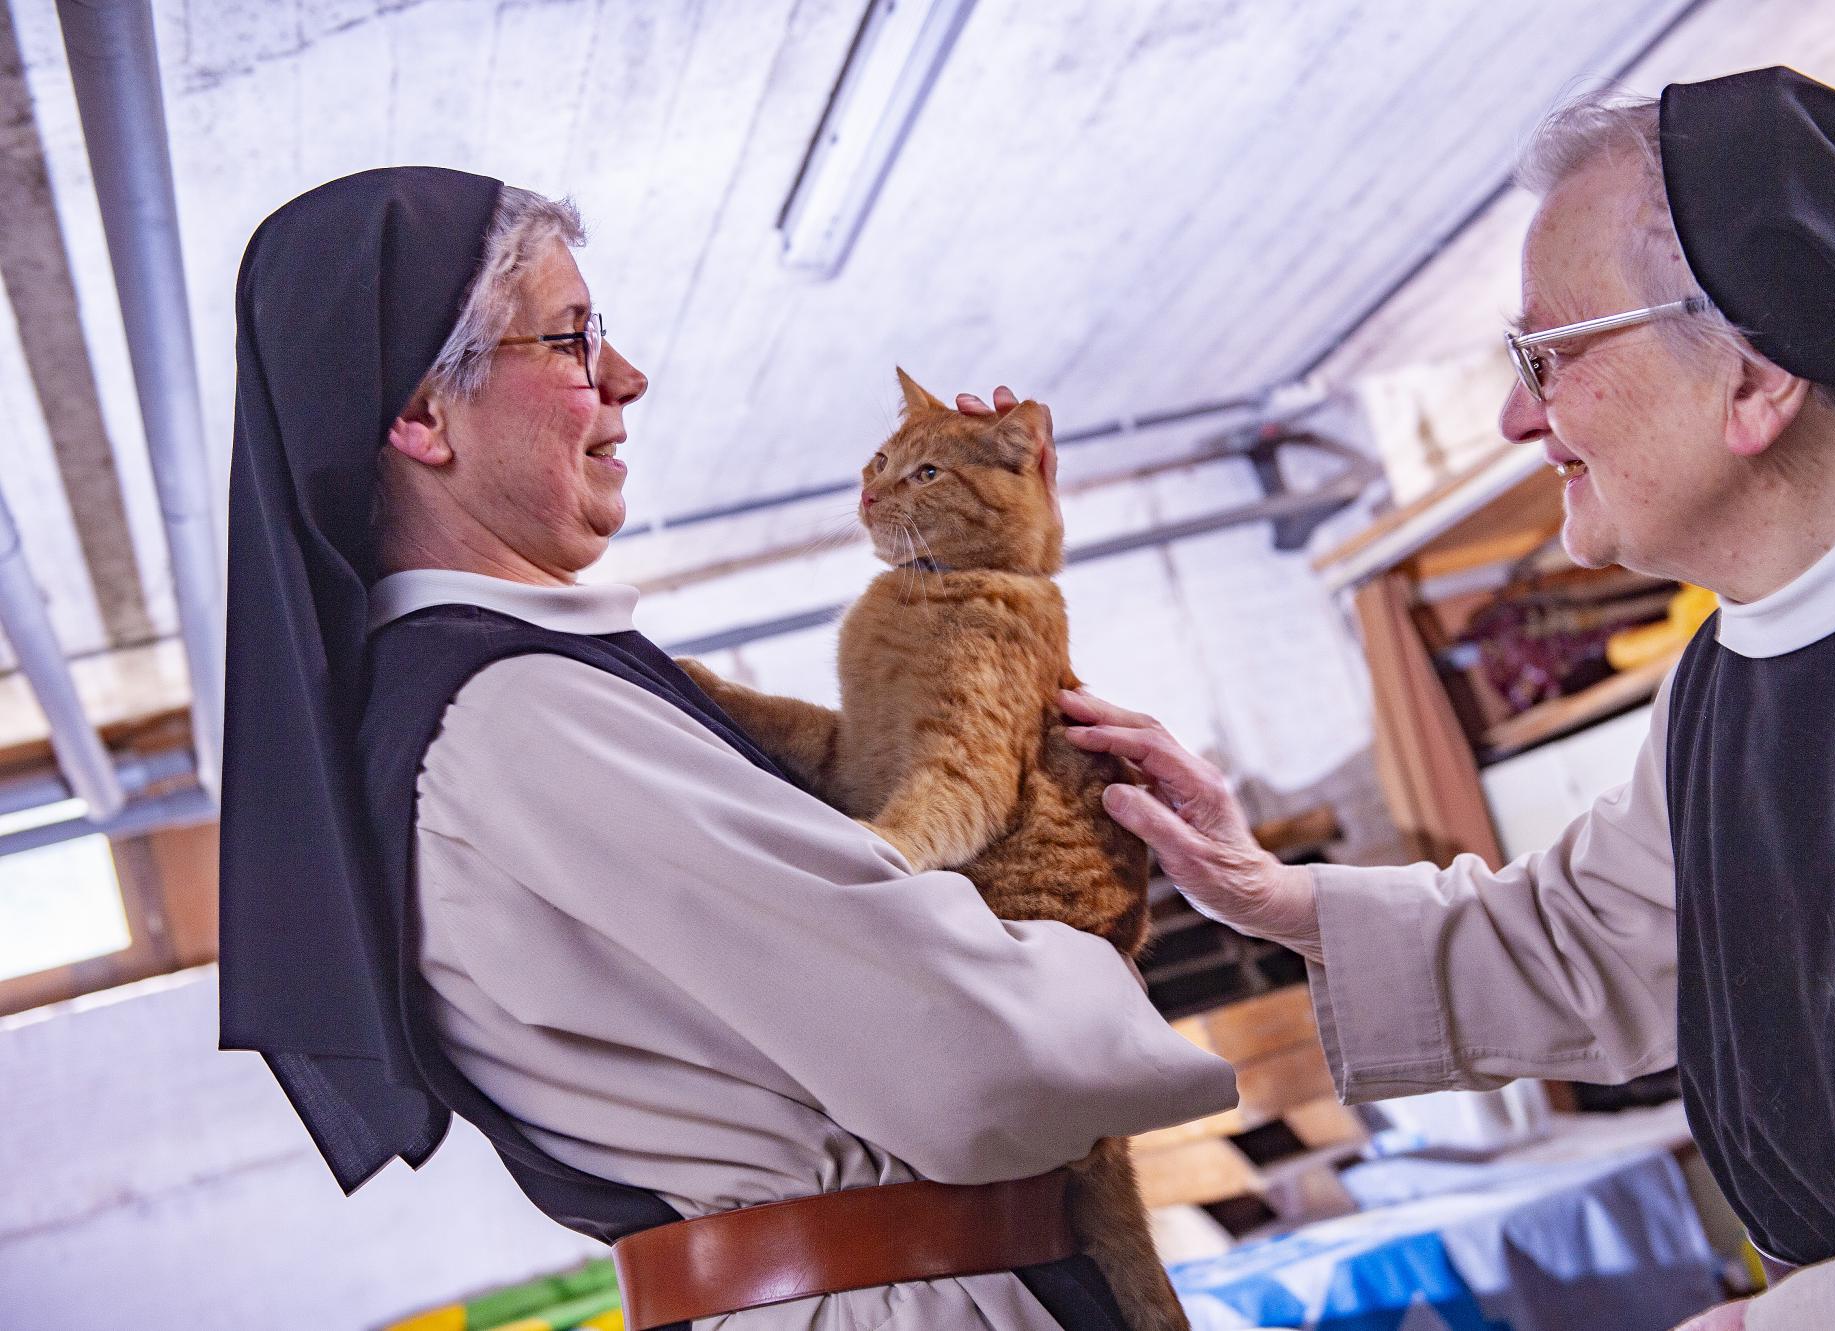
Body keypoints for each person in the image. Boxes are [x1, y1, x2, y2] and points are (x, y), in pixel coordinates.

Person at [1029, 68, 1835, 1331]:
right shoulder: (1729, 672)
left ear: (1755, 377)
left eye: (1543, 355)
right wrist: (1268, 891)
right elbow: (1607, 932)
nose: (1509, 416)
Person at [216, 167, 1236, 1331]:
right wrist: (1099, 947)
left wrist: (1001, 546)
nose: (626, 375)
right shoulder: (511, 713)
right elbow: (982, 1059)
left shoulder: (504, 692)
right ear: (417, 413)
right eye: (570, 338)